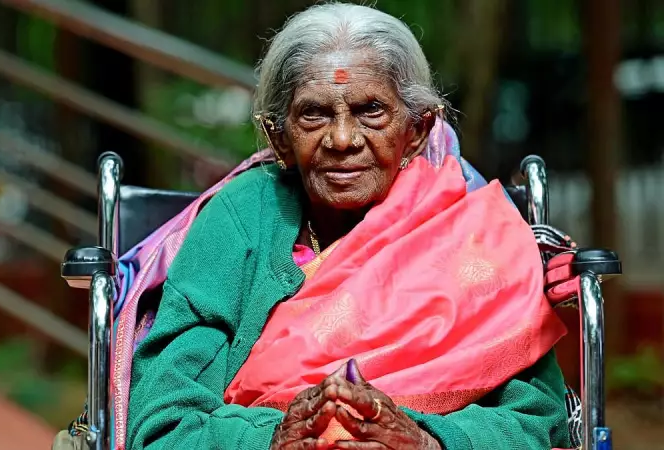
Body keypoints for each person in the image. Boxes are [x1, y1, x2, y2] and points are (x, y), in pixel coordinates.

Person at [55, 3, 572, 449]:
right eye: (314, 115)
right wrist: (275, 438)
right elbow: (164, 423)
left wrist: (428, 440)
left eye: (371, 111)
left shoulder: (469, 232)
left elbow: (539, 420)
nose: (342, 139)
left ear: (417, 131)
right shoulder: (239, 221)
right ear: (278, 139)